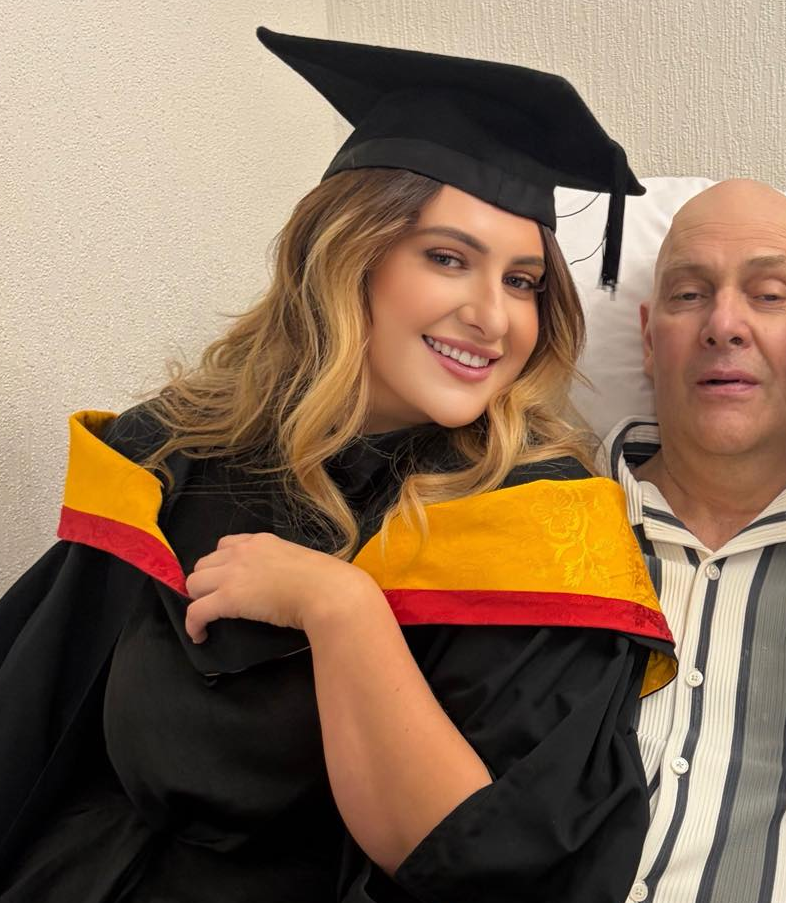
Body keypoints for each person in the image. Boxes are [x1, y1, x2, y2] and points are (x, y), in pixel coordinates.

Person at [0, 27, 674, 903]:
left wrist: (340, 608)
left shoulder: (544, 530)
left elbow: (482, 865)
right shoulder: (173, 458)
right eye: (447, 258)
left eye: (521, 280)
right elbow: (32, 723)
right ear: (348, 257)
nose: (493, 316)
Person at [604, 179, 786, 903]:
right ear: (647, 339)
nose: (723, 324)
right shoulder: (531, 527)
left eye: (768, 294)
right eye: (689, 294)